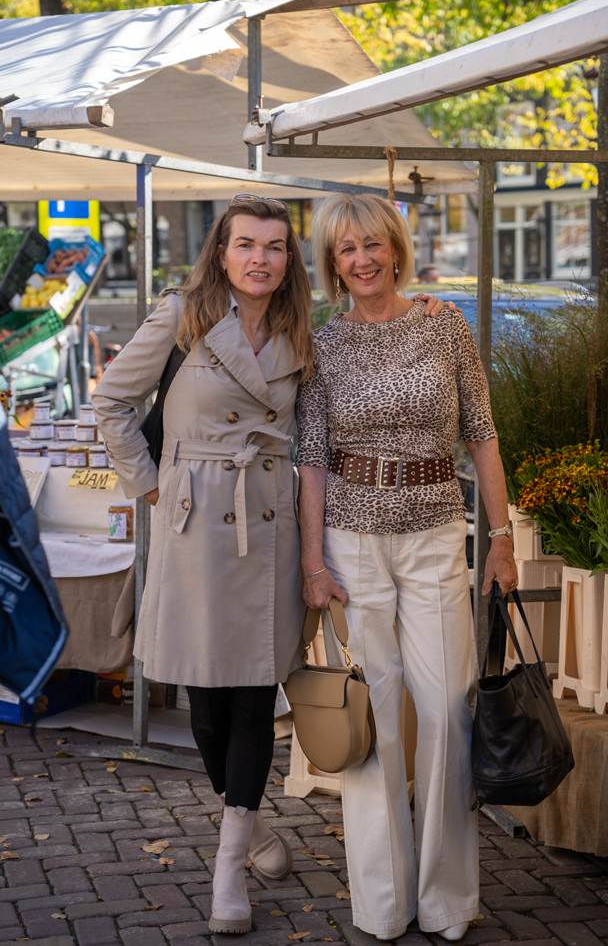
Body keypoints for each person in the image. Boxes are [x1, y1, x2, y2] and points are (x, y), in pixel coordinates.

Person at [92, 195, 448, 936]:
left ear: (289, 259)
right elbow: (113, 404)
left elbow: (356, 377)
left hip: (268, 528)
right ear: (221, 252)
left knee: (254, 699)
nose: (260, 257)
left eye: (275, 246)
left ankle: (228, 867)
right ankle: (250, 829)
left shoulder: (302, 335)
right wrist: (153, 485)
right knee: (205, 702)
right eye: (245, 243)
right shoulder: (182, 316)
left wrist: (422, 308)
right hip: (194, 527)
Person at [296, 193, 518, 942]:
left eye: (371, 245)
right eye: (344, 249)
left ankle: (448, 897)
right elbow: (311, 459)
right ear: (332, 264)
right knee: (376, 716)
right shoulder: (322, 345)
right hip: (351, 541)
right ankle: (382, 903)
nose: (360, 259)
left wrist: (501, 536)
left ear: (394, 248)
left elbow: (481, 432)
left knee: (448, 711)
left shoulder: (443, 323)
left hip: (432, 531)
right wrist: (309, 561)